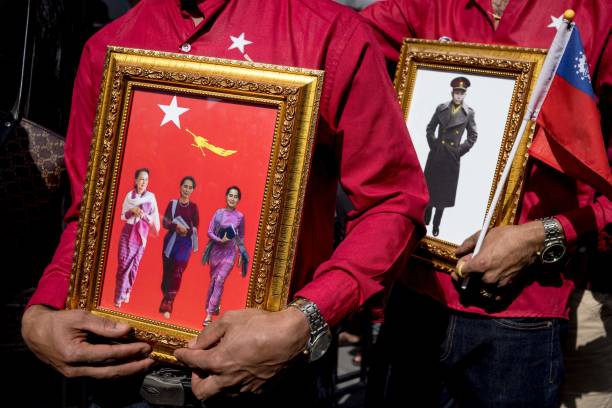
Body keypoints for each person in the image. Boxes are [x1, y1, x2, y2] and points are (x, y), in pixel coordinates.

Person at [20, 0, 428, 405]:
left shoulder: (328, 33)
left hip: (271, 383)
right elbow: (90, 217)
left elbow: (393, 201)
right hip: (119, 383)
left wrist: (306, 319)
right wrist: (42, 311)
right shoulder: (107, 46)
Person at [361, 0, 611, 406]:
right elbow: (327, 39)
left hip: (523, 312)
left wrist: (541, 235)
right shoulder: (419, 7)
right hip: (418, 296)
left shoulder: (596, 13)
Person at [423, 76, 477, 236]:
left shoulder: (468, 113)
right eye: (456, 92)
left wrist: (459, 151)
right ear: (452, 93)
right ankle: (427, 216)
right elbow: (429, 129)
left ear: (465, 95)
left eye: (462, 93)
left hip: (451, 158)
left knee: (443, 192)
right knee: (431, 187)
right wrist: (434, 145)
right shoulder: (441, 108)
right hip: (436, 156)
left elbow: (473, 135)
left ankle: (436, 224)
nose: (459, 96)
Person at [202, 186, 248, 326]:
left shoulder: (240, 217)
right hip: (216, 251)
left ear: (238, 200)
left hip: (229, 254)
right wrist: (219, 240)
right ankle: (214, 305)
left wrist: (241, 253)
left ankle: (209, 314)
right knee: (214, 281)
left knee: (220, 279)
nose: (232, 199)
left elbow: (241, 236)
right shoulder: (219, 213)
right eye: (230, 195)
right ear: (226, 197)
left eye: (235, 196)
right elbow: (209, 232)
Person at [114, 168, 161, 308]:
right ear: (135, 180)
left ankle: (125, 292)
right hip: (127, 233)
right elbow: (123, 216)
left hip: (140, 236)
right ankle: (118, 295)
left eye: (146, 179)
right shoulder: (129, 196)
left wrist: (143, 215)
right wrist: (132, 211)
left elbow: (154, 222)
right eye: (141, 179)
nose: (144, 182)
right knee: (123, 265)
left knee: (133, 266)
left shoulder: (151, 198)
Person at [160, 176, 199, 320]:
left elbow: (196, 227)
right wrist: (176, 227)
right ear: (180, 187)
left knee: (178, 271)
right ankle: (165, 293)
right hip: (171, 242)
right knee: (167, 273)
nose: (187, 190)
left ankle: (169, 302)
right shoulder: (173, 204)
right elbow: (165, 222)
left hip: (185, 244)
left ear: (193, 190)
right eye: (185, 186)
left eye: (190, 188)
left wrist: (187, 231)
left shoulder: (194, 207)